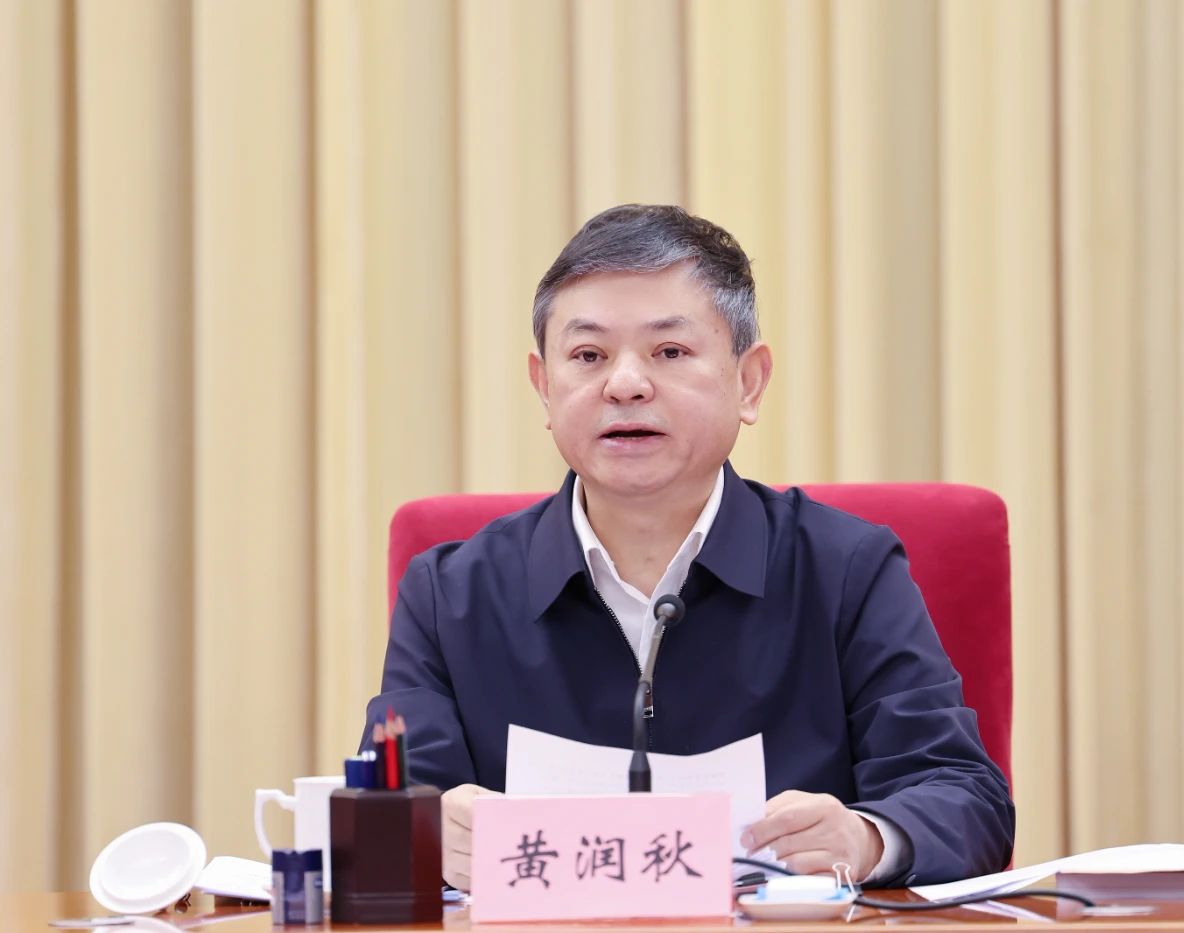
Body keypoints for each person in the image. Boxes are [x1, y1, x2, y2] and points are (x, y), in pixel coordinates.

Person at [362, 204, 1014, 891]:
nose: (625, 384)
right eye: (588, 356)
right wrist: (425, 832)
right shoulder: (450, 594)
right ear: (545, 388)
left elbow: (965, 796)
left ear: (749, 382)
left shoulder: (847, 570)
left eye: (669, 351)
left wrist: (870, 836)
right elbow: (382, 813)